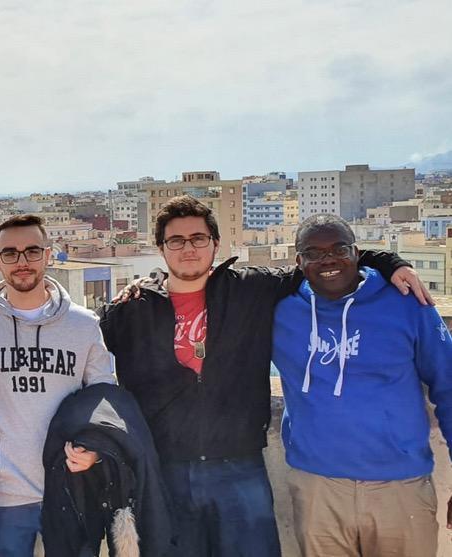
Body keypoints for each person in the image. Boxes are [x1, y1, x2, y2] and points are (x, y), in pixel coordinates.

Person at [99, 195, 428, 556]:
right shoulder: (131, 311)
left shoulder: (251, 289)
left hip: (239, 469)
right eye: (176, 240)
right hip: (165, 472)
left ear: (216, 244)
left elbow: (323, 260)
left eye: (198, 238)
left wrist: (388, 260)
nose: (188, 248)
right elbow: (89, 366)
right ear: (161, 248)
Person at [273, 214, 452, 557]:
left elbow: (448, 385)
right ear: (298, 262)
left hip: (401, 487)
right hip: (317, 489)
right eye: (313, 253)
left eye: (339, 249)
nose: (328, 260)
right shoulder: (280, 310)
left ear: (357, 252)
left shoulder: (406, 303)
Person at [0, 214, 116, 557]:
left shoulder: (83, 326)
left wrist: (95, 448)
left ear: (49, 255)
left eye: (32, 251)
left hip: (71, 490)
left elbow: (105, 398)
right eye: (10, 253)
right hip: (1, 500)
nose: (22, 261)